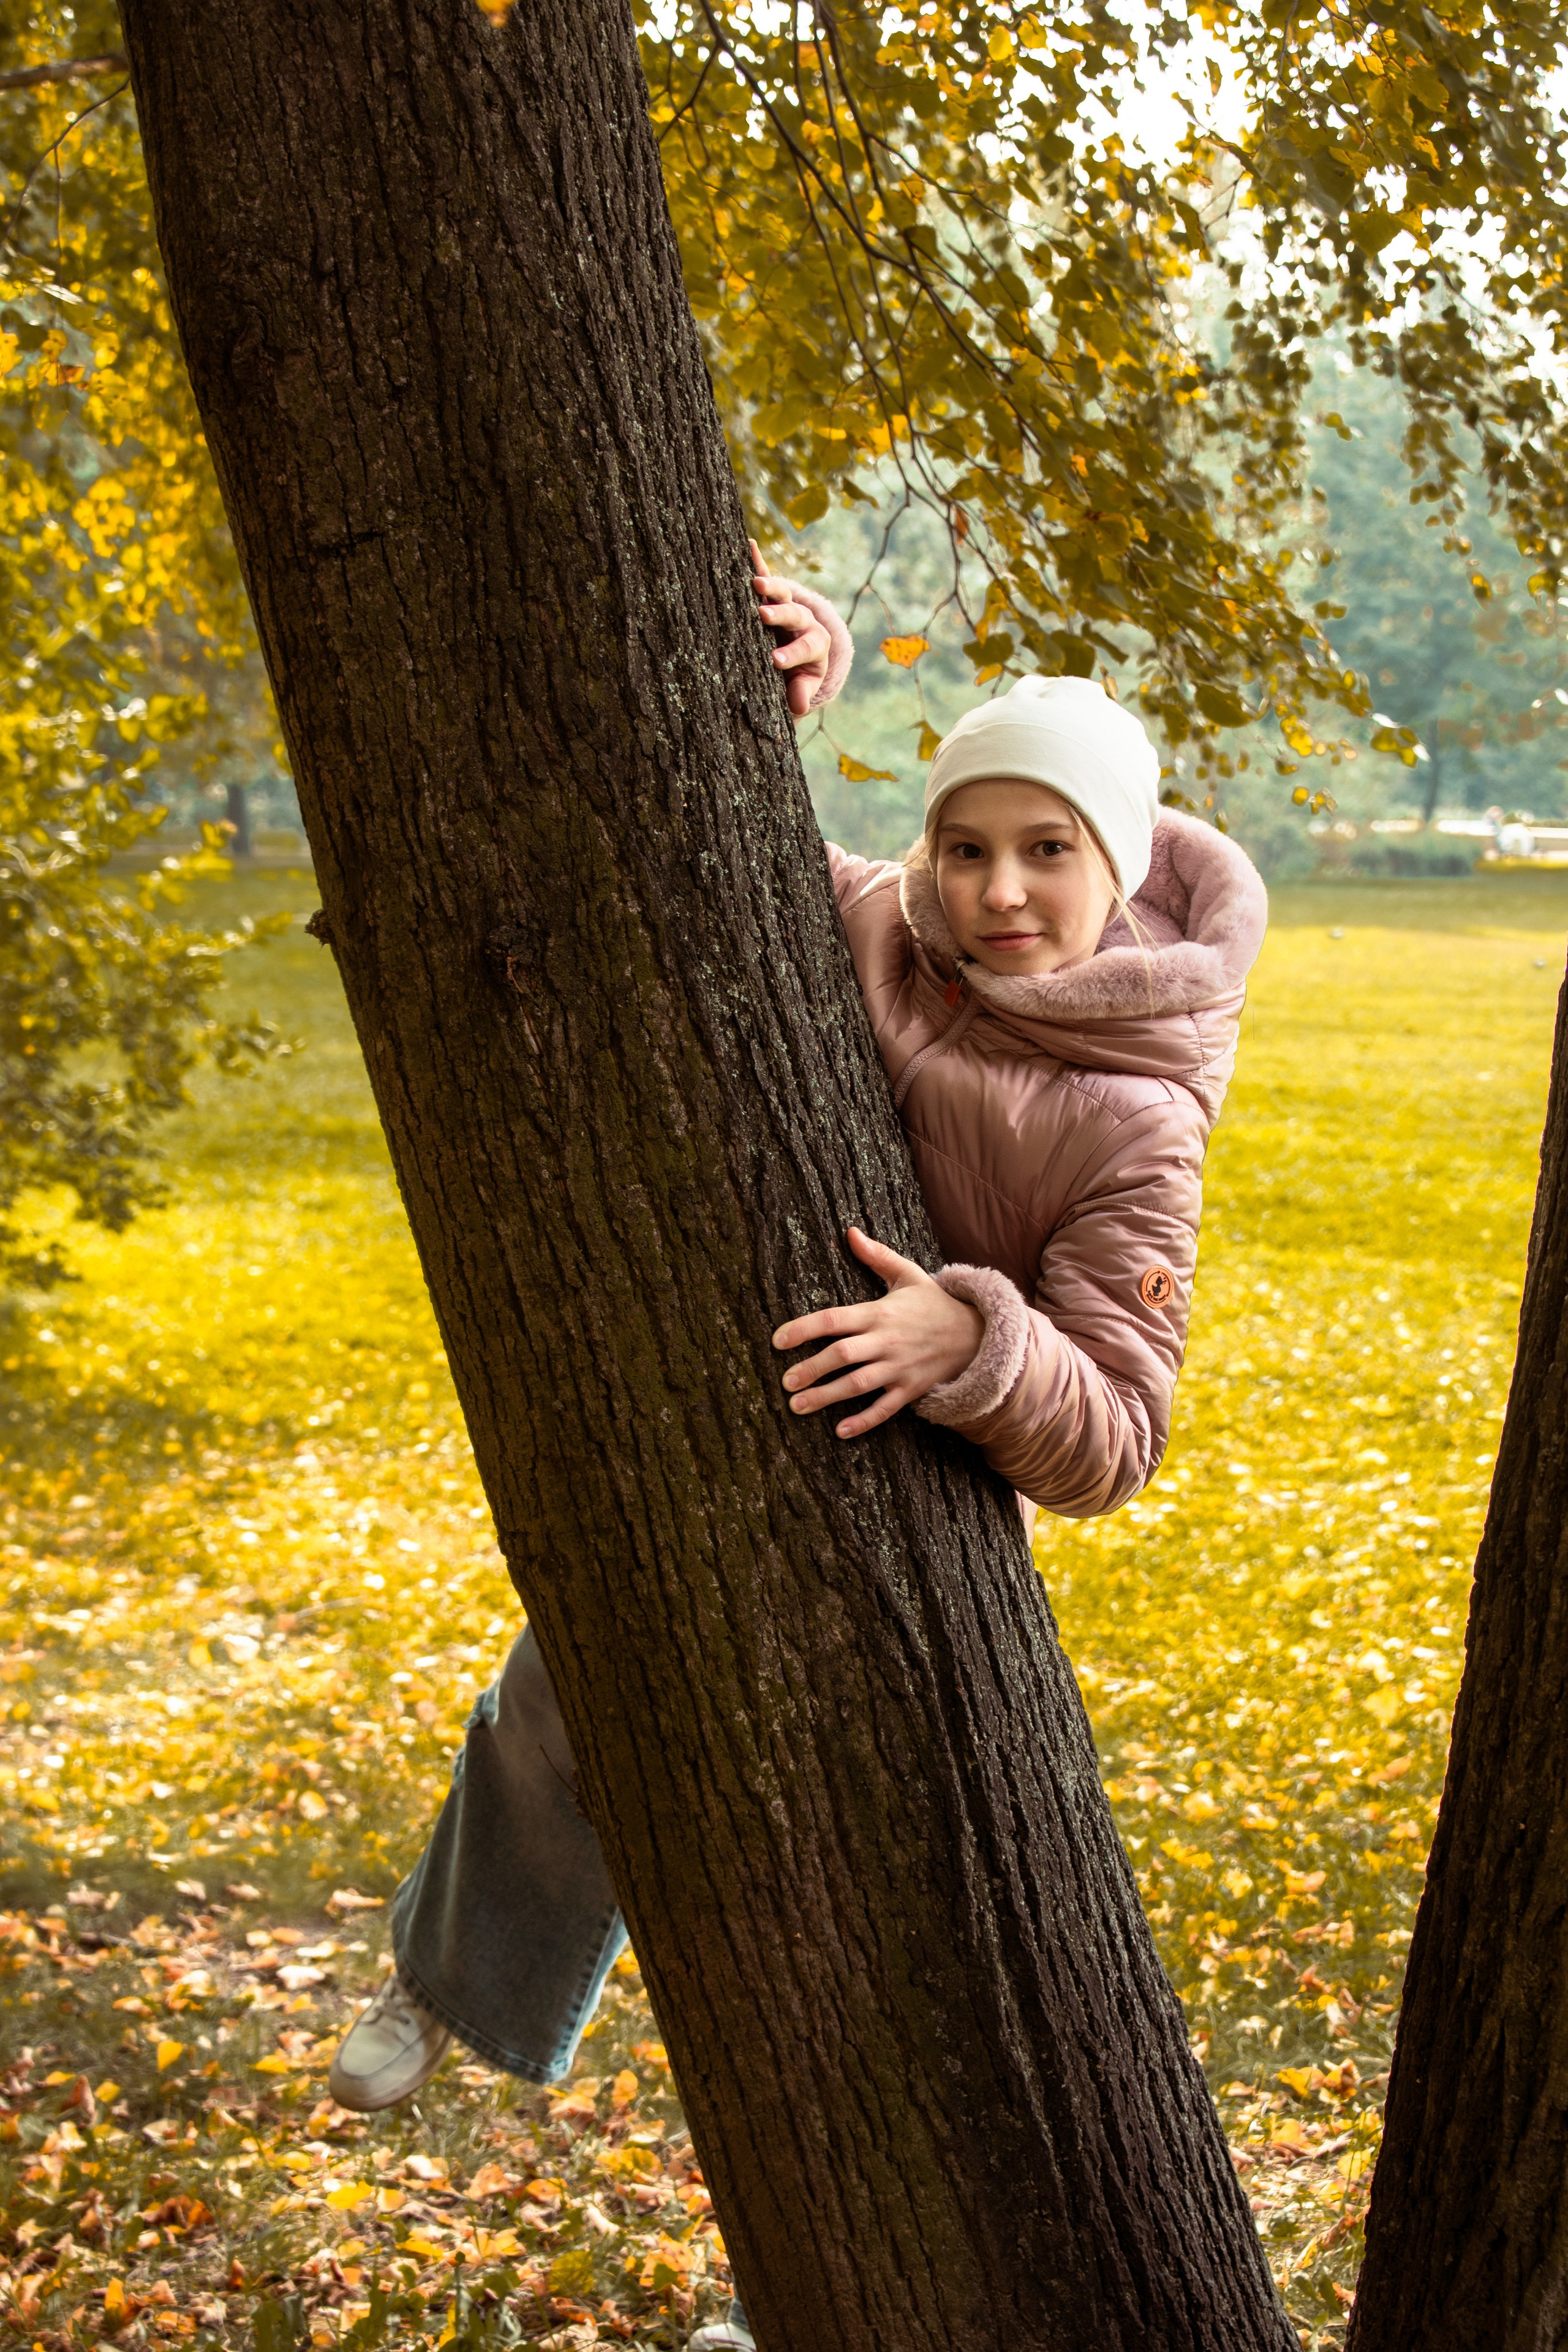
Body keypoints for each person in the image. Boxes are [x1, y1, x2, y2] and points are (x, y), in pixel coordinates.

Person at [327, 609, 1268, 2352]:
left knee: (855, 1929)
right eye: (965, 844)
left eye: (1047, 853)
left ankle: (799, 2298)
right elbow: (737, 838)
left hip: (909, 1522)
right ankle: (448, 1974)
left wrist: (966, 1338)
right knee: (558, 1705)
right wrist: (775, 682)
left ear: (1120, 873)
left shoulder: (1138, 1113)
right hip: (735, 1436)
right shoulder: (886, 932)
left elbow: (1120, 1428)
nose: (996, 891)